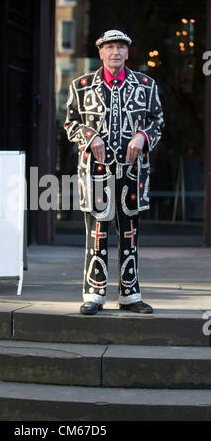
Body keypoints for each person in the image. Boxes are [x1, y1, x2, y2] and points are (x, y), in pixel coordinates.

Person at [63, 29, 165, 315]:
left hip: (132, 172)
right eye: (110, 48)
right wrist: (89, 136)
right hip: (95, 171)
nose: (115, 52)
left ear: (128, 52)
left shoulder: (146, 84)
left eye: (121, 47)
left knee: (129, 232)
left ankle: (130, 294)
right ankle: (94, 295)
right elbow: (69, 122)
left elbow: (158, 121)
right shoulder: (81, 86)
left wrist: (143, 136)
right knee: (96, 233)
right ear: (101, 52)